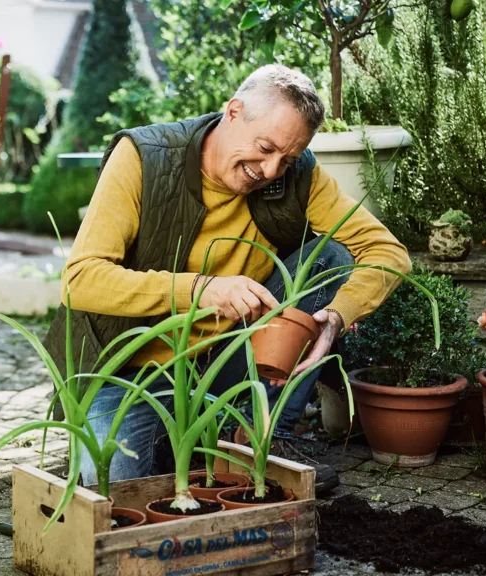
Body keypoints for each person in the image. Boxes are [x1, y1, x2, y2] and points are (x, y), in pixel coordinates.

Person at [42, 64, 411, 494]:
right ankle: (195, 444)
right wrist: (200, 289)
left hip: (224, 362)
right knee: (120, 488)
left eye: (287, 158)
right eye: (266, 148)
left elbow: (389, 253)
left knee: (328, 257)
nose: (272, 170)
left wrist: (334, 318)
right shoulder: (145, 157)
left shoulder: (296, 175)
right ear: (233, 111)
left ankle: (259, 433)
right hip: (127, 370)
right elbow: (81, 279)